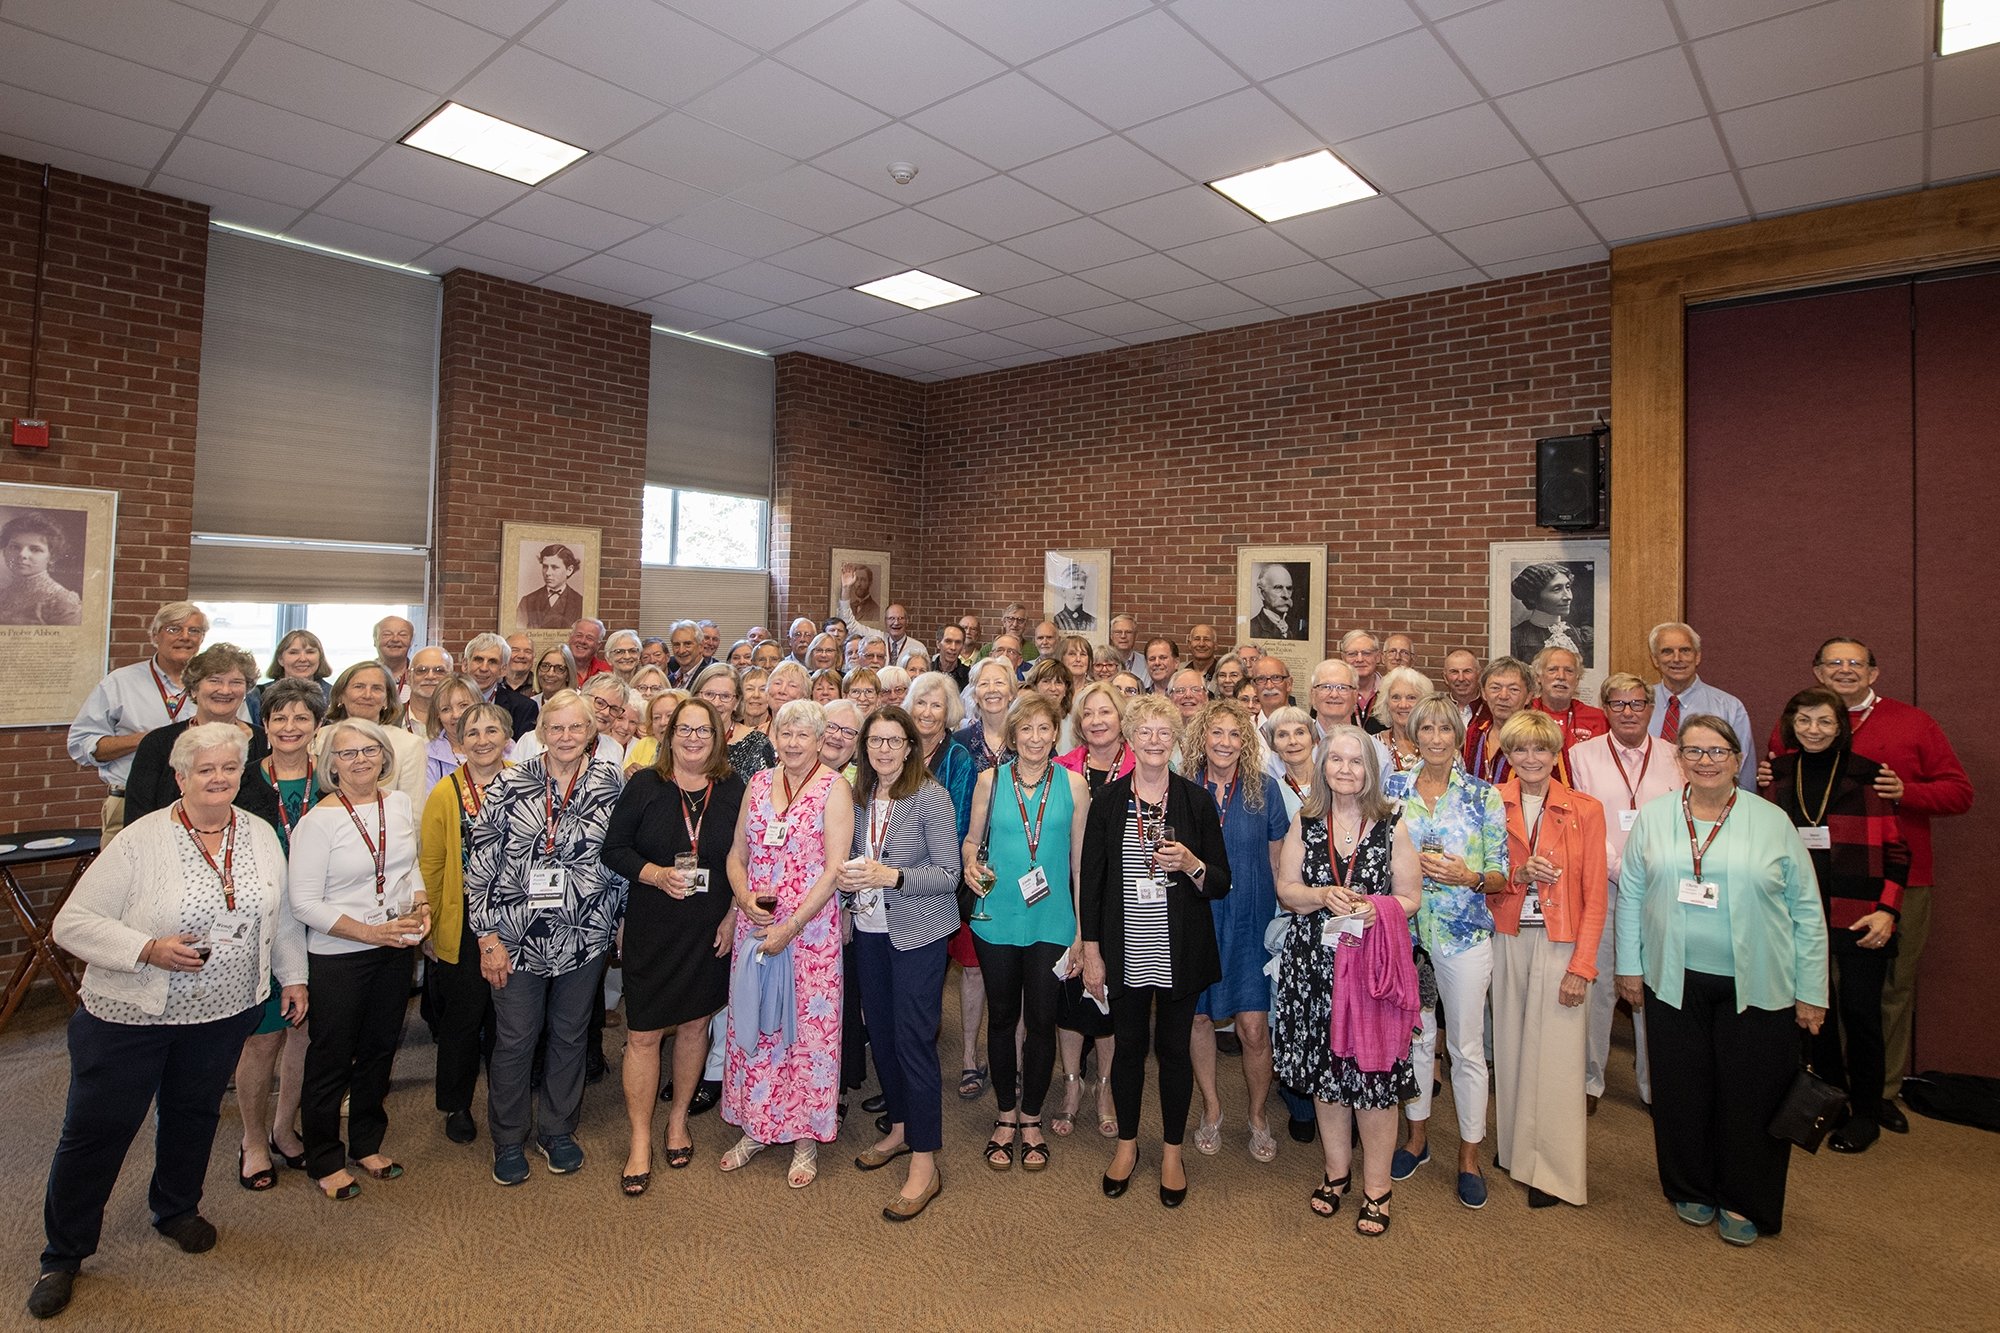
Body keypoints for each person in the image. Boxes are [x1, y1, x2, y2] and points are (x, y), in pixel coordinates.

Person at [29, 722, 306, 1320]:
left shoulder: (259, 834)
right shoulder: (140, 840)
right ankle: (64, 1254)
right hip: (131, 1014)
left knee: (193, 1114)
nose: (218, 779)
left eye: (228, 768)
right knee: (98, 1130)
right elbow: (72, 924)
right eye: (205, 770)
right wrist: (147, 949)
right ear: (180, 778)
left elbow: (279, 915)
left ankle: (176, 1208)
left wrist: (294, 976)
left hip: (223, 1010)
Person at [1617, 716, 1827, 1246]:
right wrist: (1629, 966)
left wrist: (1812, 991)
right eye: (1694, 751)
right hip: (1672, 978)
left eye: (1717, 752)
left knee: (1752, 1095)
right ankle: (1690, 1184)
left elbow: (1807, 910)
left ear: (1737, 759)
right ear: (1679, 760)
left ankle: (1744, 1198)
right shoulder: (1656, 816)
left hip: (1758, 984)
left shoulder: (1772, 821)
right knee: (1682, 1090)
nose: (1705, 761)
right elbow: (1633, 895)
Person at [1760, 637, 1971, 1131]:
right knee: (1818, 1002)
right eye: (1834, 662)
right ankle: (1831, 1096)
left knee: (1875, 1002)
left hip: (1871, 895)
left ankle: (1877, 1100)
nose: (1845, 669)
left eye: (1855, 662)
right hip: (1806, 903)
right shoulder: (1783, 767)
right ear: (1817, 673)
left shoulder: (1897, 743)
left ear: (1873, 673)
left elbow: (1955, 798)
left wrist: (1905, 792)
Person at [466, 690, 625, 1186]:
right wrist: (486, 938)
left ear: (591, 732)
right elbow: (481, 864)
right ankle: (509, 1137)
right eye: (556, 727)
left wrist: (620, 920)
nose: (566, 736)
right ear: (540, 733)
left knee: (570, 1035)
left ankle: (557, 1129)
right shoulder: (509, 782)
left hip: (585, 934)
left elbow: (621, 857)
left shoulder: (609, 782)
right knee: (515, 1039)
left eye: (576, 727)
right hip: (516, 937)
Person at [1271, 726, 1423, 1235]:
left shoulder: (1393, 824)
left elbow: (1411, 898)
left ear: (1371, 771)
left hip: (1370, 971)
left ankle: (1377, 1188)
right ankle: (1336, 1173)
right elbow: (1287, 889)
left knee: (1374, 1080)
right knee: (1326, 1077)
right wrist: (1321, 896)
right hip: (1313, 970)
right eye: (1335, 759)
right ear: (1323, 767)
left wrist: (1377, 909)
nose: (1344, 769)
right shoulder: (1306, 820)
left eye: (1356, 761)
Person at [1080, 695, 1231, 1208]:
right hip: (1124, 950)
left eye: (1163, 732)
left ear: (1176, 739)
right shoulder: (1108, 800)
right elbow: (1091, 884)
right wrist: (1092, 951)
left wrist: (1191, 864)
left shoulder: (1196, 801)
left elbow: (1221, 882)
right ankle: (1127, 1145)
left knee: (1173, 1051)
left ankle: (1171, 1151)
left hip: (1178, 950)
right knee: (1127, 1049)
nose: (1153, 740)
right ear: (1129, 737)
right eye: (1143, 731)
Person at [602, 697, 745, 1192]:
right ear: (669, 736)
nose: (693, 738)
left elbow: (748, 858)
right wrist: (656, 874)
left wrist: (734, 913)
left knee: (694, 1025)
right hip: (654, 925)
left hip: (709, 929)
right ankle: (640, 1138)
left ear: (718, 737)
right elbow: (614, 849)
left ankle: (678, 1119)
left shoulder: (734, 789)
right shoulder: (645, 785)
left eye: (703, 730)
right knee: (642, 1034)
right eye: (684, 729)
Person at [1762, 687, 1907, 1153]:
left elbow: (1897, 851)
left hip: (1860, 915)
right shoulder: (1778, 774)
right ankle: (1832, 1103)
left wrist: (1887, 910)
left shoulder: (1869, 775)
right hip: (1797, 914)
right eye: (1804, 720)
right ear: (1791, 724)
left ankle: (1866, 1113)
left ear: (1840, 725)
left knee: (1861, 1014)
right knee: (1813, 1015)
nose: (1814, 730)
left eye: (1824, 721)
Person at [288, 716, 425, 1201]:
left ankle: (367, 1143)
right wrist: (370, 932)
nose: (360, 760)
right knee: (331, 1057)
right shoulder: (317, 822)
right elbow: (304, 904)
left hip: (393, 950)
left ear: (384, 756)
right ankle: (324, 1157)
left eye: (369, 750)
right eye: (347, 753)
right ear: (332, 765)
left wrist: (421, 903)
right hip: (340, 956)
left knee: (379, 1050)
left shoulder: (398, 803)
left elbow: (408, 868)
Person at [720, 700, 853, 1188]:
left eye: (804, 734)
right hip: (756, 927)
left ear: (820, 741)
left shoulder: (834, 788)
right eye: (786, 733)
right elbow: (736, 853)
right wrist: (742, 896)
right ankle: (755, 1127)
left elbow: (835, 869)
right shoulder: (757, 783)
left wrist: (791, 927)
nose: (793, 743)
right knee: (755, 1025)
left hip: (809, 934)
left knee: (806, 1037)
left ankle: (804, 1139)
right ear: (774, 737)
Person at [1384, 693, 1508, 1208]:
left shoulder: (1483, 796)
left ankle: (1469, 1156)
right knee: (1416, 1040)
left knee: (1466, 1049)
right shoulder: (1393, 789)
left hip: (1463, 936)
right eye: (1426, 729)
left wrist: (1469, 876)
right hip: (1407, 936)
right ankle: (1417, 1139)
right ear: (1414, 736)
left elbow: (1500, 873)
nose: (1436, 738)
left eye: (1445, 729)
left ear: (1459, 737)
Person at [839, 705, 962, 1218]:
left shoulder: (930, 795)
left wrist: (892, 877)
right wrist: (847, 889)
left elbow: (950, 874)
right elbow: (849, 859)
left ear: (910, 747)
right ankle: (900, 1128)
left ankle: (926, 1162)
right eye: (875, 741)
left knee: (913, 1042)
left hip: (918, 935)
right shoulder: (859, 796)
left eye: (893, 740)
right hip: (870, 931)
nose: (883, 749)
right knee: (883, 1035)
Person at [962, 694, 1090, 1174]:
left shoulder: (1074, 785)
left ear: (1056, 733)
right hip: (996, 916)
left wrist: (1082, 933)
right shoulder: (990, 781)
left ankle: (1032, 1116)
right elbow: (971, 840)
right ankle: (1004, 1114)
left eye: (1044, 728)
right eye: (1026, 729)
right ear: (1013, 735)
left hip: (1052, 921)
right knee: (1001, 1018)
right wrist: (969, 862)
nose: (1035, 738)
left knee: (1041, 1020)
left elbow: (1080, 864)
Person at [1490, 710, 1608, 1208]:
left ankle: (1553, 1172)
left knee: (1557, 1059)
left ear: (1556, 753)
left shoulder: (1586, 809)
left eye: (1540, 748)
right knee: (1511, 1048)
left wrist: (1582, 967)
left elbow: (1596, 896)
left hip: (1562, 943)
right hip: (1508, 937)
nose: (1531, 758)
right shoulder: (1491, 802)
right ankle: (1515, 1149)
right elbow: (1480, 879)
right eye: (1520, 749)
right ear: (1508, 755)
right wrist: (1517, 876)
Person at [1566, 673, 1683, 1113]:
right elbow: (1583, 822)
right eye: (1618, 704)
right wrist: (1622, 870)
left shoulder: (1675, 756)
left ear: (1651, 709)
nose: (1628, 712)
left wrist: (1653, 872)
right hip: (1605, 887)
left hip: (1661, 890)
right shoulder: (1580, 756)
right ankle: (1590, 1080)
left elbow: (1683, 820)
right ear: (1605, 709)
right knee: (1598, 987)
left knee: (1654, 988)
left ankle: (1655, 1085)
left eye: (1637, 703)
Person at [1184, 700, 1291, 1164]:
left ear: (1246, 742)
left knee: (1253, 1028)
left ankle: (1257, 1114)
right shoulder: (1184, 787)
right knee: (1199, 1019)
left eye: (1234, 734)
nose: (1225, 742)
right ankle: (1211, 1108)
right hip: (1199, 919)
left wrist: (1285, 918)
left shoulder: (1265, 790)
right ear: (1202, 738)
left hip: (1251, 920)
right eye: (1217, 733)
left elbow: (1277, 861)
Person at [233, 677, 324, 1185]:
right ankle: (252, 1138)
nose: (290, 727)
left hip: (319, 924)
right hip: (261, 924)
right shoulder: (242, 781)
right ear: (264, 726)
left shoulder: (330, 780)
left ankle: (284, 1128)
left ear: (317, 726)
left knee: (304, 1033)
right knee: (263, 1039)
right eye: (280, 718)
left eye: (301, 718)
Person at [416, 700, 510, 1146]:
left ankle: (506, 1101)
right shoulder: (445, 792)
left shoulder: (526, 782)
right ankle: (456, 1104)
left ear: (506, 737)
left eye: (491, 731)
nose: (482, 740)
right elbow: (432, 865)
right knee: (463, 1019)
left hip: (515, 922)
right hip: (463, 920)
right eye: (472, 732)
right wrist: (431, 926)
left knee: (509, 1020)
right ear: (460, 740)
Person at [1054, 680, 1132, 1138]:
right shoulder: (1062, 768)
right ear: (1078, 723)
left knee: (1109, 993)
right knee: (1068, 990)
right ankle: (1071, 1083)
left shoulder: (1143, 766)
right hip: (1068, 891)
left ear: (1122, 719)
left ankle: (1105, 1085)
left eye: (1106, 712)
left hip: (1122, 900)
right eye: (1088, 713)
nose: (1097, 720)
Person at [67, 601, 212, 842]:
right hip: (129, 803)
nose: (185, 637)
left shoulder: (219, 687)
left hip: (202, 807)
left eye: (194, 630)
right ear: (155, 635)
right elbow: (80, 744)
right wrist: (146, 741)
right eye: (174, 629)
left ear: (202, 638)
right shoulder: (119, 683)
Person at [121, 643, 272, 828]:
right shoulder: (158, 743)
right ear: (193, 689)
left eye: (236, 682)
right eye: (214, 681)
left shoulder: (265, 741)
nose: (225, 690)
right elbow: (138, 817)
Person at [1648, 622, 1753, 788]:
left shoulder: (1730, 708)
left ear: (1697, 656)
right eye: (1667, 651)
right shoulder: (1638, 706)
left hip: (1710, 800)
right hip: (1649, 800)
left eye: (1685, 650)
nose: (1677, 658)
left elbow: (1743, 774)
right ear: (1655, 659)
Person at [318, 661, 427, 806]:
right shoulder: (320, 738)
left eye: (376, 688)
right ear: (340, 696)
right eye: (359, 687)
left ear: (387, 700)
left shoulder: (410, 745)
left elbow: (413, 810)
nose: (367, 695)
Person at [1529, 645, 1607, 782]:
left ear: (1577, 680)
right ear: (1538, 677)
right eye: (1552, 669)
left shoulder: (1598, 718)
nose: (1561, 676)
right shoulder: (1524, 714)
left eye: (1569, 671)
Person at [692, 663, 774, 776]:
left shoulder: (757, 744)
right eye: (709, 694)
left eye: (725, 696)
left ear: (737, 702)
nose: (716, 703)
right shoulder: (682, 739)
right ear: (696, 697)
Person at [0, 511, 82, 624]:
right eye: (15, 547)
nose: (22, 554)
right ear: (4, 552)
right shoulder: (2, 594)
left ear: (52, 557)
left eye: (35, 549)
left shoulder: (61, 601)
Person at [1465, 656, 1533, 786]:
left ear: (1528, 697)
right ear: (1484, 693)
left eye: (1513, 689)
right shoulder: (1474, 733)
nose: (1503, 696)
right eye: (1495, 688)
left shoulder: (1542, 738)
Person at [1510, 563, 1592, 665]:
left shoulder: (1582, 636)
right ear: (1532, 597)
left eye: (1567, 587)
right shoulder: (1515, 638)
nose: (1568, 597)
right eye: (1557, 589)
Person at [466, 632, 538, 738]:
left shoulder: (524, 708)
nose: (484, 668)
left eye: (492, 662)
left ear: (503, 670)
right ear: (465, 665)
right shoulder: (447, 701)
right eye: (478, 660)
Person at [1370, 667, 1432, 774]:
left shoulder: (1436, 743)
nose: (1403, 705)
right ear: (1386, 703)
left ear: (1424, 703)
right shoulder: (1373, 745)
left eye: (1411, 697)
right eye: (1396, 697)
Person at [259, 629, 331, 711]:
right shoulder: (258, 695)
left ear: (320, 658)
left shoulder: (335, 696)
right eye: (294, 652)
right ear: (280, 659)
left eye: (310, 652)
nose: (303, 659)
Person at [517, 543, 584, 628]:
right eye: (545, 567)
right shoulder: (527, 602)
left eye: (554, 567)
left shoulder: (580, 603)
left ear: (569, 570)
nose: (548, 573)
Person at [401, 646, 453, 738]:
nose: (430, 676)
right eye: (422, 670)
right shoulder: (387, 719)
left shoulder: (461, 720)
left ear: (451, 677)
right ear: (408, 676)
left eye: (439, 671)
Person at [1249, 565, 1305, 640]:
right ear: (1261, 592)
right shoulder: (1251, 629)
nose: (1286, 595)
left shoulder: (1298, 627)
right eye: (1278, 588)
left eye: (1289, 588)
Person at [1340, 631, 1382, 718]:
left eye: (1366, 653)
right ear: (1343, 658)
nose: (1359, 659)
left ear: (1378, 657)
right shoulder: (1332, 694)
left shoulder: (1390, 691)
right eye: (1352, 654)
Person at [373, 615, 414, 700]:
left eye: (402, 635)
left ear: (411, 641)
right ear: (375, 640)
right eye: (387, 634)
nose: (395, 639)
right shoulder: (360, 676)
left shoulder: (420, 677)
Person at [1442, 647, 1484, 727]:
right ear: (1445, 678)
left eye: (1467, 671)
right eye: (1454, 672)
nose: (1461, 678)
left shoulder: (1491, 711)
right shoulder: (1436, 710)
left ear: (1479, 675)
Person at [1053, 562, 1096, 632]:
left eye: (1082, 588)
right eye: (1074, 587)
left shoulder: (1093, 622)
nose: (1079, 593)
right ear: (1064, 591)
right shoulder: (1056, 621)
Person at [838, 561, 882, 627]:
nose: (858, 584)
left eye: (863, 580)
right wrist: (846, 587)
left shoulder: (876, 610)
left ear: (870, 582)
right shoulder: (850, 606)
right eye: (856, 579)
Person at [935, 623, 971, 689]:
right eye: (948, 641)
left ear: (963, 646)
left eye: (958, 642)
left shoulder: (969, 676)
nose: (953, 647)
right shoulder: (926, 671)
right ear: (938, 644)